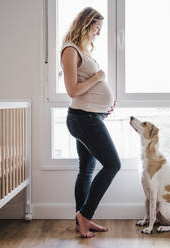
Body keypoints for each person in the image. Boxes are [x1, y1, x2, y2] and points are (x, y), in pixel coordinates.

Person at [60, 7, 120, 239]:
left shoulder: (83, 51)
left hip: (90, 117)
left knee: (86, 170)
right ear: (87, 24)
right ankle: (85, 215)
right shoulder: (70, 50)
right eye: (97, 27)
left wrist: (105, 108)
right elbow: (72, 91)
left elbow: (89, 92)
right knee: (113, 165)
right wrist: (98, 78)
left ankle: (81, 220)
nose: (99, 33)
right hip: (82, 119)